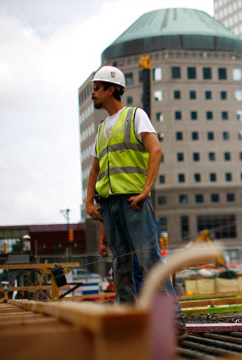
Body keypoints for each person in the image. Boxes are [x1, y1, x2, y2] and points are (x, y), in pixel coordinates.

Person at [84, 65, 186, 339]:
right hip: (111, 205)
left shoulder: (135, 116)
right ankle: (129, 323)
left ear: (110, 89)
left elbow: (156, 150)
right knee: (122, 267)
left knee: (149, 261)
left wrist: (146, 190)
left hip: (134, 204)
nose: (92, 93)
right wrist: (90, 201)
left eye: (96, 88)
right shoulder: (102, 128)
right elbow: (95, 169)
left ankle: (173, 322)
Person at [99, 224, 144, 295]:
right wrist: (101, 242)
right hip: (118, 248)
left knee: (134, 276)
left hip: (131, 244)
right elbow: (103, 218)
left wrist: (102, 242)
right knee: (120, 279)